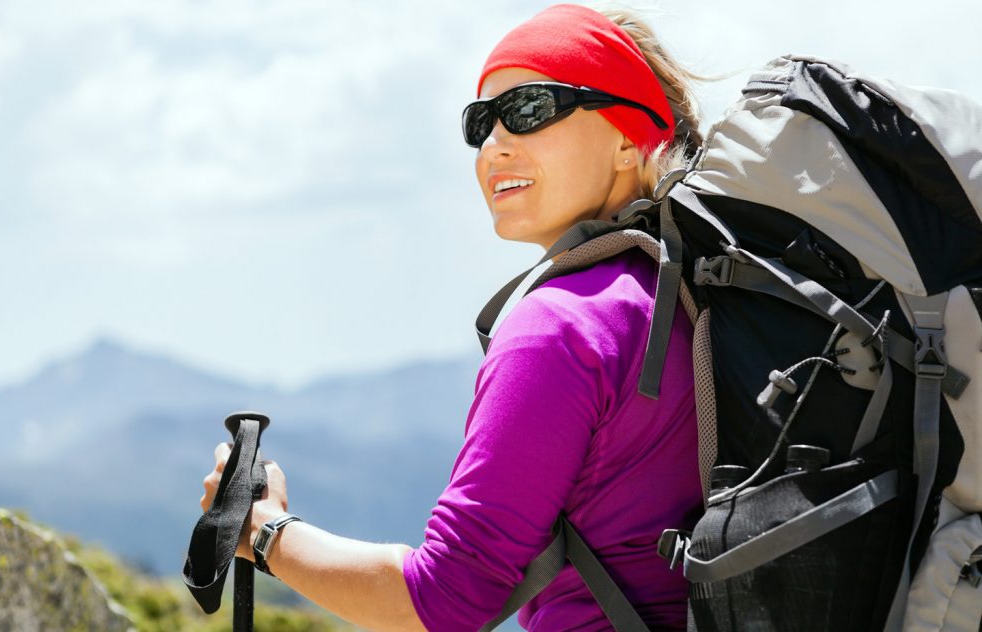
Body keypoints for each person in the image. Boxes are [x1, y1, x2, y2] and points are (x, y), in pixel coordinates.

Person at [200, 4, 705, 630]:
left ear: (630, 137)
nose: (494, 145)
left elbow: (442, 599)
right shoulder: (693, 301)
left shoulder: (561, 326)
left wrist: (265, 531)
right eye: (481, 123)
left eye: (529, 110)